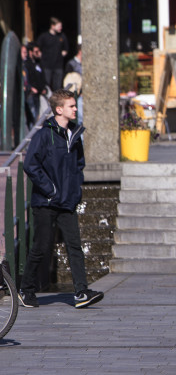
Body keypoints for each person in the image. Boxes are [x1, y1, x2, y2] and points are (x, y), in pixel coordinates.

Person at [18, 89, 104, 309]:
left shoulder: (74, 134)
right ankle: (25, 290)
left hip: (68, 201)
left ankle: (81, 292)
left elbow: (78, 164)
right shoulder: (44, 134)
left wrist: (75, 190)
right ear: (59, 109)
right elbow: (30, 165)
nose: (76, 109)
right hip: (46, 202)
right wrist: (51, 190)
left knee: (75, 245)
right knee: (42, 246)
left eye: (75, 106)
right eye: (71, 106)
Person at [36, 17, 69, 91]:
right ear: (53, 26)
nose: (61, 28)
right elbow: (37, 47)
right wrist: (40, 55)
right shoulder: (44, 37)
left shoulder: (62, 36)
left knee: (57, 87)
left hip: (58, 66)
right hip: (46, 66)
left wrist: (63, 54)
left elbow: (66, 49)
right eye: (59, 26)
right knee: (46, 86)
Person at [24, 43, 47, 126]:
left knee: (37, 116)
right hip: (31, 94)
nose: (38, 53)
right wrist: (30, 88)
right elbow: (27, 79)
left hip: (38, 94)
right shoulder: (27, 64)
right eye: (36, 52)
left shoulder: (38, 63)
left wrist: (43, 88)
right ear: (30, 52)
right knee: (32, 116)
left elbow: (41, 77)